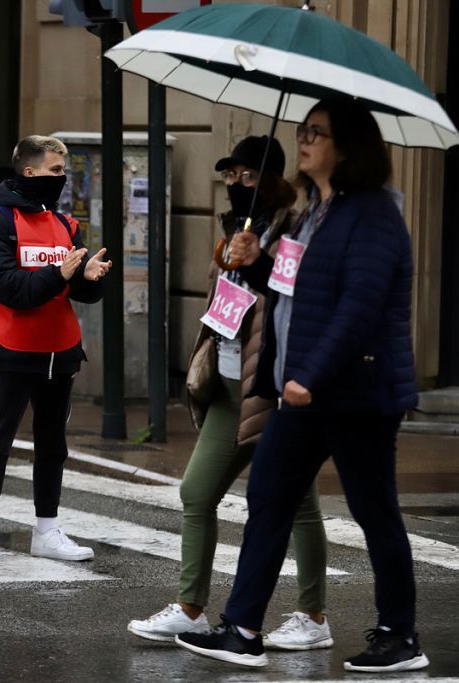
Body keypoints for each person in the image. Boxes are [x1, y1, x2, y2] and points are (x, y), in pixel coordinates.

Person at [174, 96, 430, 673]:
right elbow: (294, 292)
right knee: (267, 497)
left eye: (317, 132)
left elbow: (359, 307)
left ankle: (399, 634)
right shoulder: (316, 210)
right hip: (301, 391)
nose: (304, 140)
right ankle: (242, 628)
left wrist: (308, 376)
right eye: (303, 129)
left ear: (348, 147)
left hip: (356, 392)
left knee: (374, 510)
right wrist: (255, 263)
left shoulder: (373, 215)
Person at [127, 136, 333, 652]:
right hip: (225, 379)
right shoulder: (233, 228)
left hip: (265, 385)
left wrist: (257, 258)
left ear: (272, 179)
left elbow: (291, 296)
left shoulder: (292, 227)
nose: (237, 184)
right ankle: (193, 610)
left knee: (298, 503)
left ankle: (312, 614)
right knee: (199, 492)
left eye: (247, 175)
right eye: (230, 175)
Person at [0, 135, 112, 566]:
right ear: (29, 171)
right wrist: (60, 272)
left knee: (53, 445)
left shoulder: (66, 226)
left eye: (63, 172)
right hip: (10, 347)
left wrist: (91, 277)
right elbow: (10, 288)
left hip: (59, 349)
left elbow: (77, 291)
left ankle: (46, 530)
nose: (61, 179)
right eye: (55, 171)